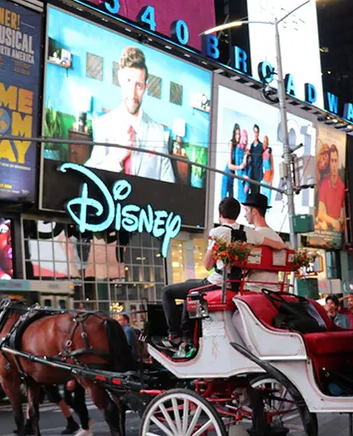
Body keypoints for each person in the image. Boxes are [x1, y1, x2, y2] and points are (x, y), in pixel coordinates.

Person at [158, 198, 249, 356]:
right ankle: (185, 332)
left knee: (167, 291)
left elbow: (207, 265)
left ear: (220, 214)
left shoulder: (218, 232)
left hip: (217, 282)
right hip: (234, 283)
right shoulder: (248, 232)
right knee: (189, 283)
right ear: (238, 214)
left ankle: (175, 335)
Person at [84, 47, 175, 182]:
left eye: (138, 86)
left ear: (145, 87)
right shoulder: (104, 124)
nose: (132, 94)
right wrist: (118, 158)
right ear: (120, 79)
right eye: (128, 81)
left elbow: (169, 186)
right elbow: (90, 175)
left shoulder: (158, 132)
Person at [239, 193, 287, 290]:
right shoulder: (277, 238)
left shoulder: (252, 236)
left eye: (246, 210)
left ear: (254, 211)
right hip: (273, 290)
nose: (244, 215)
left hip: (253, 289)